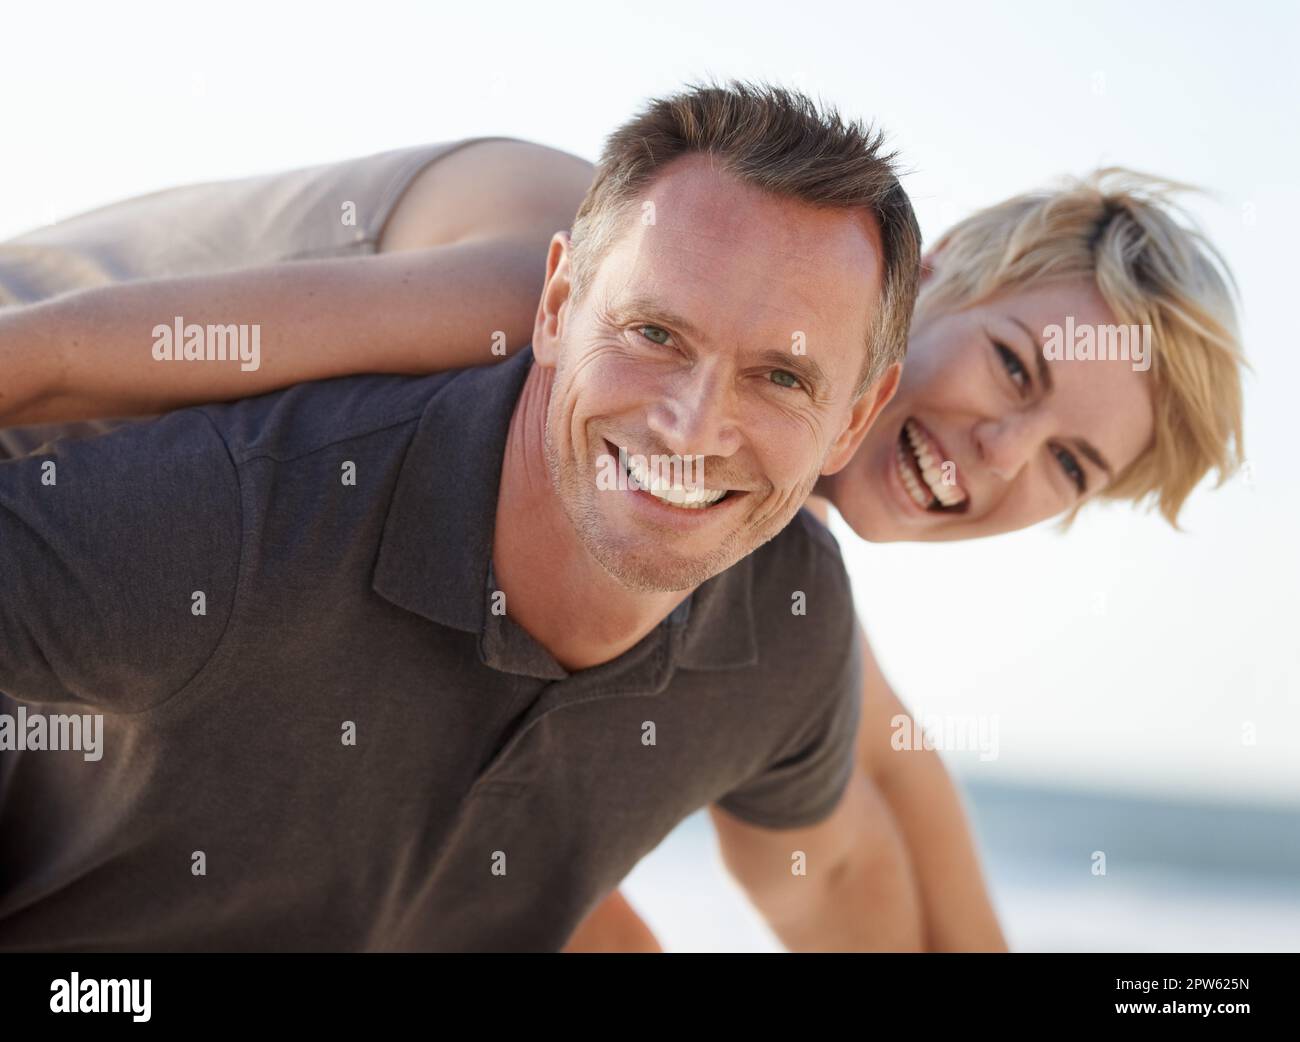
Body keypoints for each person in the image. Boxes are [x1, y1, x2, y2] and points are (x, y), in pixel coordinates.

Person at [0, 99, 1246, 954]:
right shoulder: (557, 305)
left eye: (1071, 463)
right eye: (1017, 370)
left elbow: (882, 762)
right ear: (928, 288)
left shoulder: (749, 540)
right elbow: (70, 363)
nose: (1001, 452)